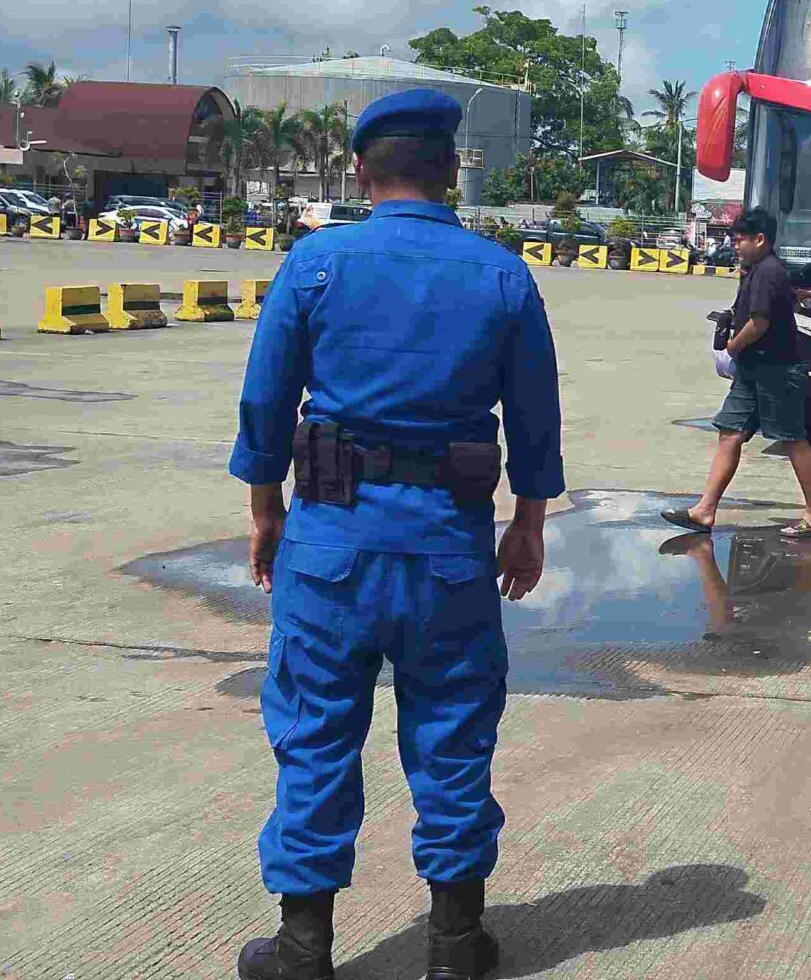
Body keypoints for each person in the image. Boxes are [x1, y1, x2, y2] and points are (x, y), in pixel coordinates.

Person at [228, 88, 563, 980]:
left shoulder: (315, 264)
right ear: (451, 171)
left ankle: (304, 948)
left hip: (329, 541)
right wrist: (526, 526)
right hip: (450, 549)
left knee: (313, 735)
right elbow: (535, 418)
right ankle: (455, 948)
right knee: (453, 735)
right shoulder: (500, 274)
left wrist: (267, 517)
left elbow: (266, 405)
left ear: (362, 172)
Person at [664, 208, 811, 538]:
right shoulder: (754, 270)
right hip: (753, 369)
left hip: (778, 370)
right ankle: (705, 510)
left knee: (792, 439)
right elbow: (749, 312)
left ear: (761, 239)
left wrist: (731, 348)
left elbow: (759, 323)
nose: (736, 245)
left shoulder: (769, 272)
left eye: (740, 240)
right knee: (730, 432)